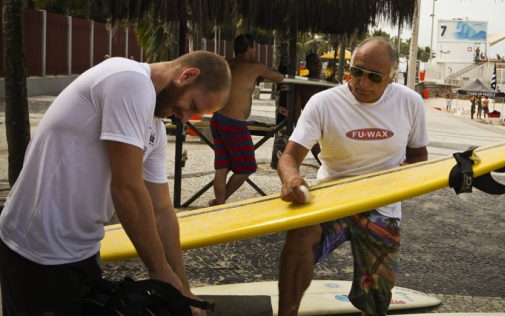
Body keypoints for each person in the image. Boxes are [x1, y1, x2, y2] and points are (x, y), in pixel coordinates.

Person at [0, 51, 231, 315]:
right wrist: (159, 270)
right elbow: (127, 188)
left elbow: (162, 211)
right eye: (193, 105)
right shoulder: (129, 79)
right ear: (187, 76)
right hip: (37, 249)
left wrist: (182, 289)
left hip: (83, 251)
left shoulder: (153, 127)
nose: (186, 117)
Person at [276, 37, 429, 316]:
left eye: (374, 77)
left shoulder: (410, 102)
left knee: (376, 299)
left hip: (383, 204)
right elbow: (289, 157)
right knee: (300, 234)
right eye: (356, 72)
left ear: (391, 77)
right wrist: (291, 179)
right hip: (333, 197)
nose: (362, 83)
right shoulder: (323, 103)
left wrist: (403, 178)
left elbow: (419, 156)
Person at [209, 34, 284, 206]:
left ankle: (218, 205)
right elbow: (278, 77)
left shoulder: (227, 63)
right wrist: (260, 75)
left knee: (221, 167)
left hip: (218, 119)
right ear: (250, 48)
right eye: (254, 48)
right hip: (234, 124)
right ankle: (221, 202)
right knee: (247, 167)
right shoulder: (255, 67)